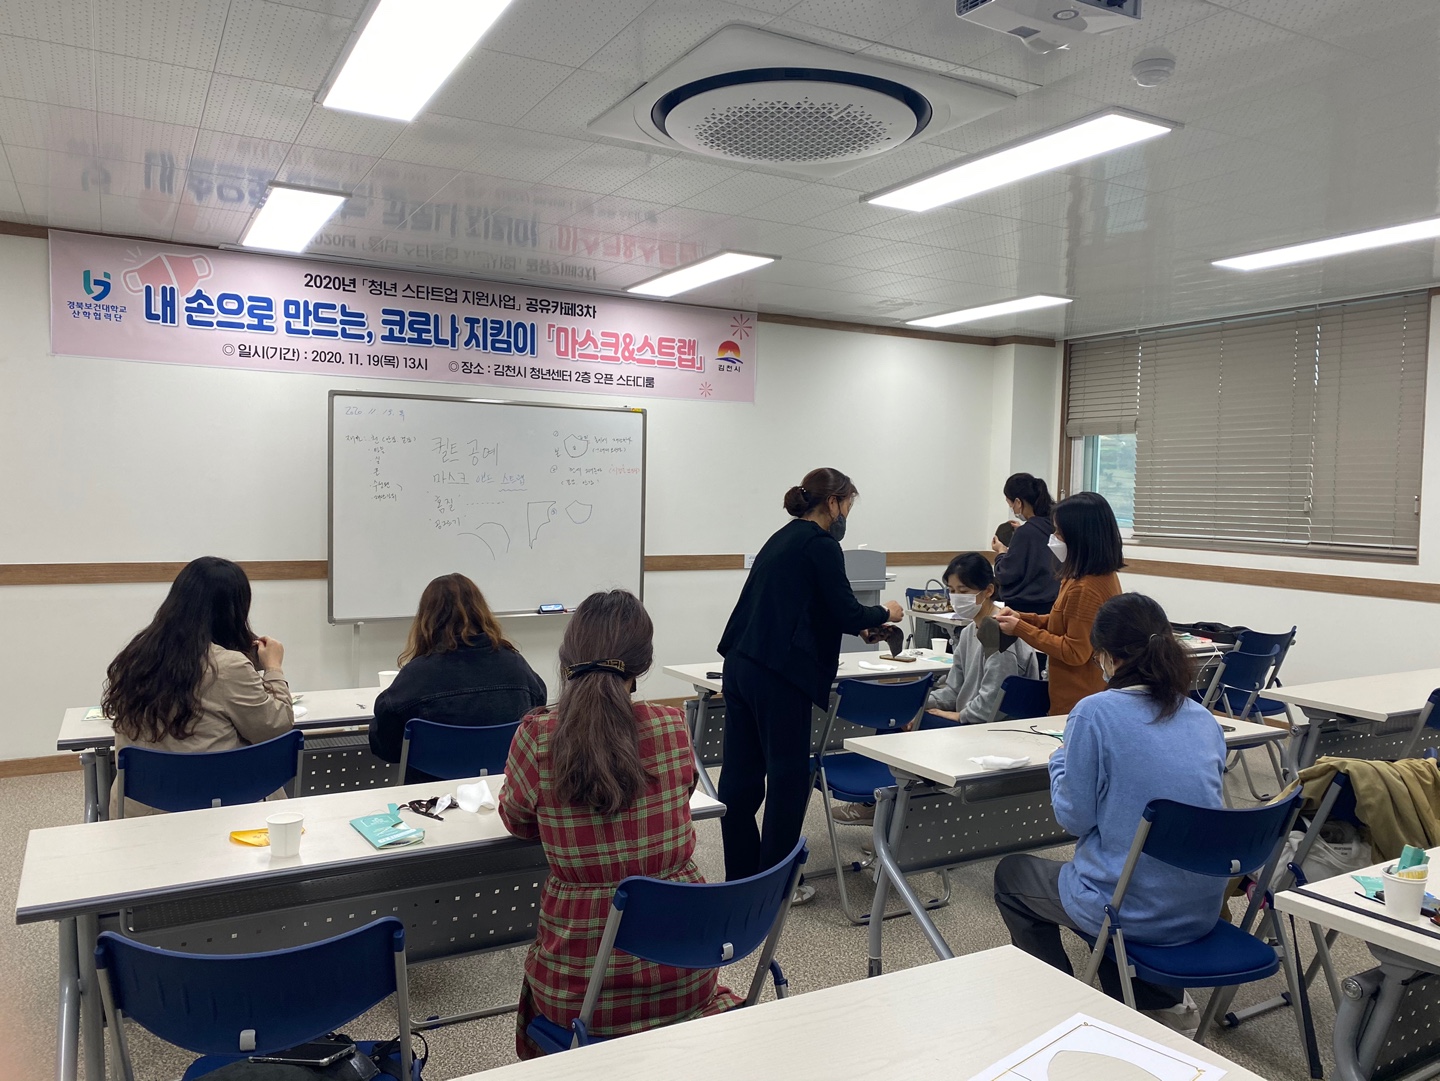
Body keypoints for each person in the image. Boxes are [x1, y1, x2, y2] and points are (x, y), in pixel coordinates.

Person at [499, 590, 740, 1058]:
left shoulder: (537, 735)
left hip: (579, 992)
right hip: (687, 976)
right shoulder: (671, 726)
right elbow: (682, 792)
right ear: (643, 664)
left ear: (566, 658)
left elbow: (518, 822)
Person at [992, 592, 1226, 1033]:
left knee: (1013, 875)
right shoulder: (1202, 718)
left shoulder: (1094, 713)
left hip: (1129, 909)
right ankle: (1154, 1000)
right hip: (1199, 907)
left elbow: (1074, 819)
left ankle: (1060, 1003)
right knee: (1116, 873)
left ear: (1107, 656)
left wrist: (1060, 761)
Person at [715, 467, 903, 901]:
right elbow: (847, 610)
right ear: (833, 503)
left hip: (741, 664)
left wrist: (859, 627)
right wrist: (885, 614)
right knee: (789, 777)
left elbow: (811, 607)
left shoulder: (782, 538)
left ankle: (741, 878)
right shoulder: (820, 544)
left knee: (741, 779)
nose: (847, 515)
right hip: (779, 674)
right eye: (848, 505)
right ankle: (777, 885)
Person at [101, 556, 293, 817]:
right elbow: (274, 727)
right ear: (234, 610)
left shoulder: (135, 656)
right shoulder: (228, 666)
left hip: (140, 810)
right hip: (212, 807)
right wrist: (273, 668)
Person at [370, 572, 546, 780]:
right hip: (501, 787)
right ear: (481, 612)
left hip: (430, 793)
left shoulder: (416, 676)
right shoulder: (516, 666)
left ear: (427, 619)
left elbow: (385, 747)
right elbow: (538, 712)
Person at [995, 491, 1124, 715]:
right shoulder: (1084, 577)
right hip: (1074, 695)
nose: (1053, 537)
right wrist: (1023, 618)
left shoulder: (1087, 587)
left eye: (1059, 532)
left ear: (1079, 537)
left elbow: (1074, 651)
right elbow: (1063, 622)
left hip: (1079, 698)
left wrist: (1020, 628)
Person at [925, 553, 1040, 725]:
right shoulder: (968, 632)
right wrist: (919, 703)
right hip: (972, 720)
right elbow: (954, 690)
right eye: (952, 591)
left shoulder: (1001, 632)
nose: (956, 597)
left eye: (963, 591)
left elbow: (994, 701)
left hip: (997, 727)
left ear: (988, 590)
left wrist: (961, 716)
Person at [992, 473, 1059, 614]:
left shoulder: (1025, 533)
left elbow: (1005, 573)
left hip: (1025, 608)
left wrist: (1001, 552)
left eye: (1010, 504)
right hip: (1054, 604)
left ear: (1018, 502)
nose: (1012, 509)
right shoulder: (1054, 526)